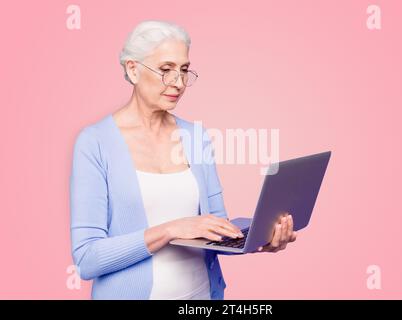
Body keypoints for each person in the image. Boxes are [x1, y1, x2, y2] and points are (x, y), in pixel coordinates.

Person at [70, 20, 297, 300]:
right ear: (133, 69)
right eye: (166, 70)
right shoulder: (94, 142)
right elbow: (87, 259)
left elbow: (215, 231)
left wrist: (259, 239)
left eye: (184, 70)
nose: (178, 82)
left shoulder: (195, 135)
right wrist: (171, 230)